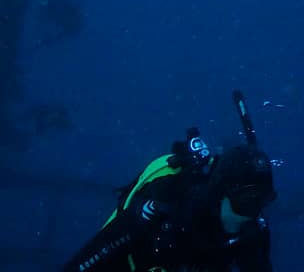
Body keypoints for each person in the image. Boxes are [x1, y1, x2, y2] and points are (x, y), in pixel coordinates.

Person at [62, 94, 276, 272]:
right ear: (219, 194)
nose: (253, 214)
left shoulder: (252, 231)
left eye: (263, 200)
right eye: (246, 203)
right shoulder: (164, 206)